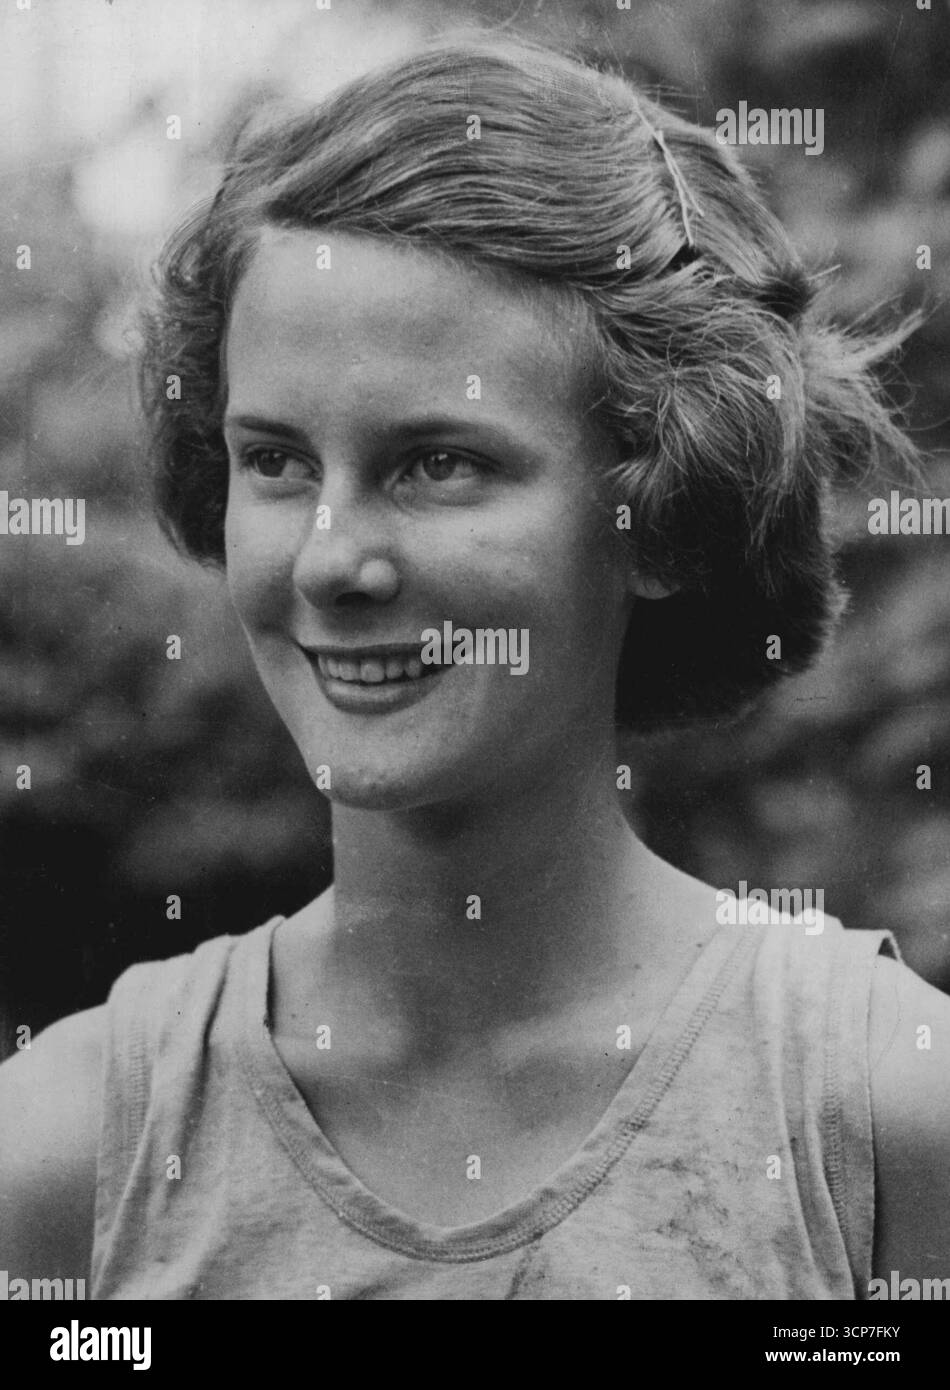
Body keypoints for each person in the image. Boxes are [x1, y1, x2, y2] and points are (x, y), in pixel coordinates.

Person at [1, 33, 948, 1302]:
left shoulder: (872, 1123)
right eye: (275, 461)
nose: (332, 561)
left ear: (661, 513)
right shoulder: (71, 1155)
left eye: (437, 463)